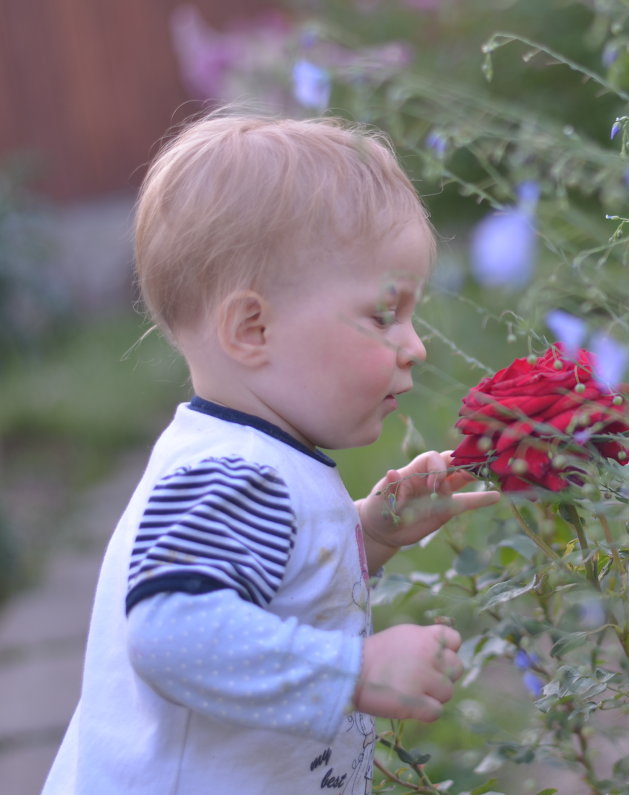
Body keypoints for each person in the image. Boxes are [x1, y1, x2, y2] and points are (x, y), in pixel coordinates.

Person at [42, 112, 501, 794]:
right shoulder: (233, 475)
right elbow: (169, 628)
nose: (415, 344)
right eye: (384, 315)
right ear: (252, 329)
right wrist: (354, 670)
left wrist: (367, 533)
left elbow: (271, 579)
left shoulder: (247, 459)